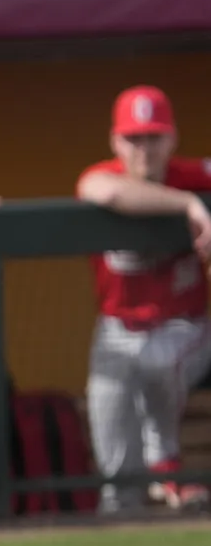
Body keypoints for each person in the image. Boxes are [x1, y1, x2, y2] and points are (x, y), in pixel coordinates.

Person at [76, 87, 211, 514]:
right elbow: (107, 194)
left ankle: (165, 461)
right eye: (133, 139)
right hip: (116, 331)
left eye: (154, 137)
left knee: (159, 360)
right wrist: (189, 204)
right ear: (116, 142)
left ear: (172, 139)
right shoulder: (102, 175)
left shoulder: (197, 173)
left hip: (185, 325)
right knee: (116, 474)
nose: (144, 149)